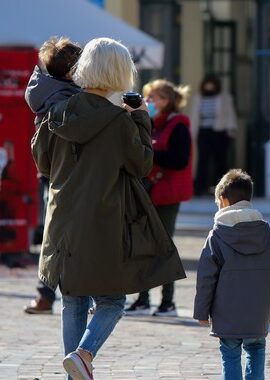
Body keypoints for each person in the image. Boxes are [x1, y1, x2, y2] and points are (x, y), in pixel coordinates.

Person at [32, 37, 184, 380]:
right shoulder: (119, 121)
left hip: (61, 222)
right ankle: (84, 354)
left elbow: (41, 162)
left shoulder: (56, 111)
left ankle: (77, 371)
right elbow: (142, 164)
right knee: (112, 301)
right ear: (120, 72)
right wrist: (142, 120)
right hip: (103, 222)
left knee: (73, 300)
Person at [194, 169, 270, 380]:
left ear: (223, 200)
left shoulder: (216, 234)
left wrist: (201, 312)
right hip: (258, 312)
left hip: (227, 312)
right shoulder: (263, 230)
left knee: (230, 355)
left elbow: (206, 278)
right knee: (256, 351)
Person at [124, 79, 193, 317]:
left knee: (163, 247)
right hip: (148, 192)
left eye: (157, 98)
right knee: (142, 246)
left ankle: (168, 302)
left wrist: (150, 152)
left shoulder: (178, 124)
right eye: (149, 97)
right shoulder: (149, 122)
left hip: (167, 194)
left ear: (170, 101)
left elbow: (179, 159)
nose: (151, 102)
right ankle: (143, 300)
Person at [23, 36, 82, 314]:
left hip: (51, 171)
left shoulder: (44, 89)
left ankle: (46, 294)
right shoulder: (67, 97)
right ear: (71, 70)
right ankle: (52, 293)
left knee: (53, 232)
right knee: (61, 234)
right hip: (69, 173)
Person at [190, 74, 237, 196]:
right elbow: (194, 116)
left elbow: (230, 114)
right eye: (207, 84)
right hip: (203, 132)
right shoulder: (198, 98)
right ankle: (200, 188)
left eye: (212, 84)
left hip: (220, 132)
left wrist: (231, 130)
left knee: (220, 160)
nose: (209, 86)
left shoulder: (224, 98)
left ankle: (222, 188)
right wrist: (192, 132)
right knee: (203, 160)